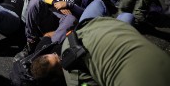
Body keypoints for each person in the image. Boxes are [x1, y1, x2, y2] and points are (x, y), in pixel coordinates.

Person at [31, 16, 170, 86]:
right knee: (126, 16)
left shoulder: (73, 79)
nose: (60, 56)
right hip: (104, 27)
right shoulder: (69, 41)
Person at [14, 0, 90, 61]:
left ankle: (45, 51)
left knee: (71, 18)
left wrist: (68, 5)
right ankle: (31, 42)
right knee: (34, 1)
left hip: (67, 22)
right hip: (50, 17)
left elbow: (86, 12)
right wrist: (55, 2)